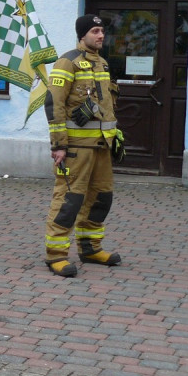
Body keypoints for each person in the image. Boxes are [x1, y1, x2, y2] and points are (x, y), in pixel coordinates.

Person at [42, 15, 122, 278]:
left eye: (102, 31)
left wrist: (115, 135)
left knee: (101, 198)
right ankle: (56, 255)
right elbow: (54, 103)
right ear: (82, 35)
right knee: (69, 201)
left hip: (101, 147)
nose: (101, 35)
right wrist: (59, 145)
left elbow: (106, 104)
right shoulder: (68, 62)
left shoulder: (102, 62)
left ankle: (90, 248)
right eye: (95, 31)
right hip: (76, 149)